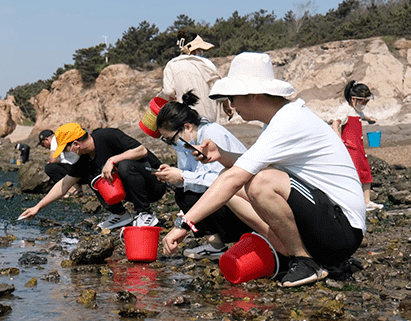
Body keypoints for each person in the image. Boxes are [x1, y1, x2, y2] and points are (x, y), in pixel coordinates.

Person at [161, 52, 366, 287]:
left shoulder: (288, 121)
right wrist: (222, 155)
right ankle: (291, 253)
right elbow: (252, 166)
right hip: (326, 226)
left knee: (258, 183)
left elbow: (240, 177)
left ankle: (306, 261)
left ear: (254, 95)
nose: (232, 106)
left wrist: (185, 225)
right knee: (230, 182)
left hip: (343, 231)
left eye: (233, 98)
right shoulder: (277, 122)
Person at [153, 91, 259, 259]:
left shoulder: (211, 134)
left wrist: (182, 176)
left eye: (171, 139)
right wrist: (173, 175)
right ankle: (215, 244)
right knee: (183, 194)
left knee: (192, 192)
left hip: (246, 202)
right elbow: (193, 175)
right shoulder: (190, 142)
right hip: (230, 198)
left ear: (187, 127)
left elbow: (222, 180)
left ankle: (244, 237)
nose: (171, 144)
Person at [19, 123, 167, 229]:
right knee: (94, 178)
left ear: (76, 144)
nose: (64, 154)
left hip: (155, 182)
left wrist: (113, 160)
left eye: (65, 149)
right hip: (131, 190)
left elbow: (141, 150)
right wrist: (37, 207)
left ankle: (145, 214)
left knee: (124, 165)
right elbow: (64, 185)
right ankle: (120, 214)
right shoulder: (83, 159)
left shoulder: (108, 136)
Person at [332, 81, 383, 211]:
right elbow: (335, 123)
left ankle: (366, 202)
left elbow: (362, 116)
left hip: (359, 147)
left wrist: (370, 119)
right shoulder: (345, 109)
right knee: (352, 175)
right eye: (363, 102)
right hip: (349, 148)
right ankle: (350, 202)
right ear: (354, 99)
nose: (364, 105)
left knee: (365, 173)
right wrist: (338, 137)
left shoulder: (356, 110)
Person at [160, 35, 230, 123]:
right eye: (199, 49)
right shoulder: (207, 64)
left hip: (185, 119)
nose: (201, 52)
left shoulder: (171, 64)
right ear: (193, 49)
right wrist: (226, 106)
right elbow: (219, 90)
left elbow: (169, 91)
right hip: (208, 119)